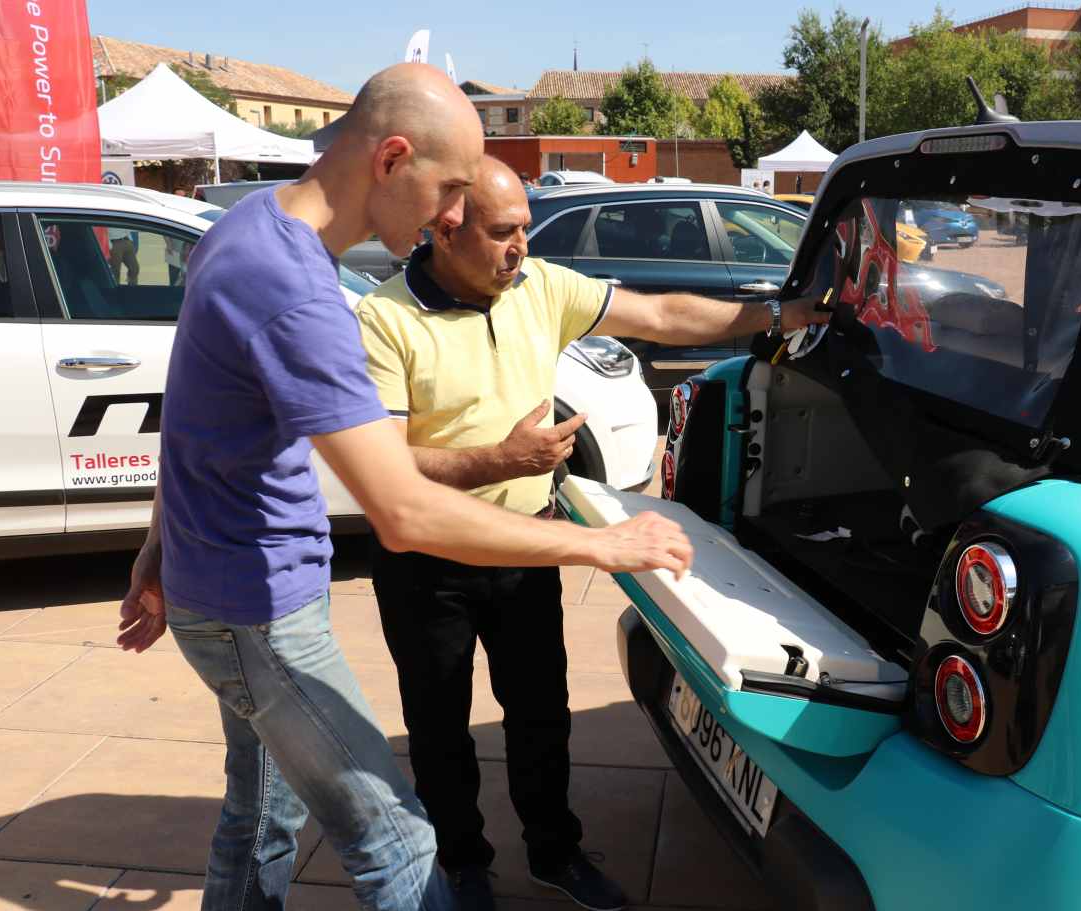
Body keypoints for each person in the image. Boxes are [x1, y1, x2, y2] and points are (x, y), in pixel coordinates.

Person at [116, 66, 692, 911]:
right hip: (259, 607)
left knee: (262, 815)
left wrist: (155, 548)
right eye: (450, 187)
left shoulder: (245, 227)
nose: (452, 216)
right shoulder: (298, 290)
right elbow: (403, 510)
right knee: (398, 840)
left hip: (231, 585)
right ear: (391, 159)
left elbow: (194, 419)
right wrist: (601, 544)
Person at [355, 156, 829, 911]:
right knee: (438, 725)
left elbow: (663, 316)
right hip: (427, 563)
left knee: (541, 713)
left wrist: (777, 315)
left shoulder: (539, 287)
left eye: (525, 229)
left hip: (526, 549)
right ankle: (463, 863)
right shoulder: (384, 319)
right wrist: (501, 459)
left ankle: (555, 851)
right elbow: (384, 465)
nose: (521, 247)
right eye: (503, 232)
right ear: (446, 228)